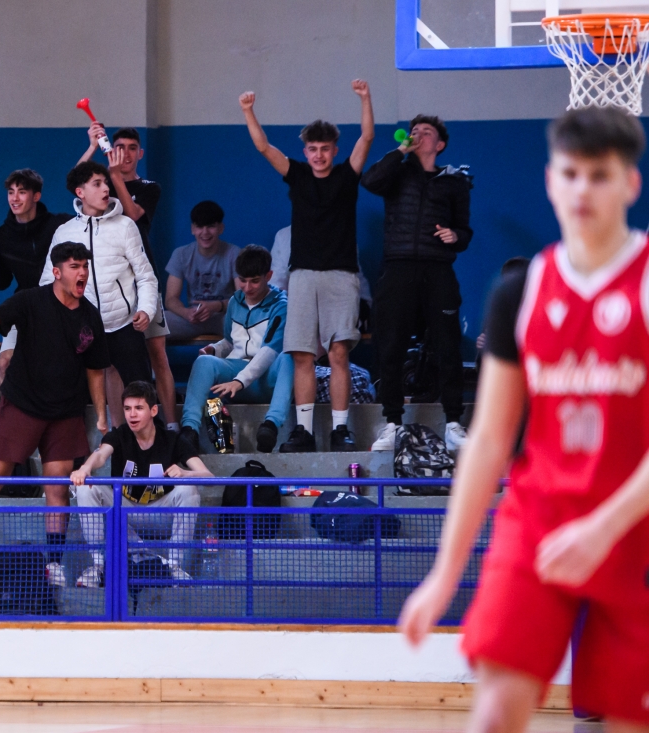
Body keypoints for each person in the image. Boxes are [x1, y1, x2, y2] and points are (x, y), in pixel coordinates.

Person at [399, 107, 649, 730]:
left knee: (627, 719)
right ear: (550, 181)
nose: (583, 189)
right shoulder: (521, 291)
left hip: (633, 525)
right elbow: (488, 440)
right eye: (571, 173)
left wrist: (601, 529)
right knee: (495, 712)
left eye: (600, 175)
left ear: (630, 183)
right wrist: (444, 575)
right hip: (537, 519)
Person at [0, 242, 110, 588]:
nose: (82, 273)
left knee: (57, 487)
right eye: (75, 267)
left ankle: (54, 564)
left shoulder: (90, 316)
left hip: (65, 411)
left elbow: (95, 370)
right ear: (57, 272)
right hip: (23, 404)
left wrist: (102, 415)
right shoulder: (30, 300)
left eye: (85, 267)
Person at [240, 81, 374, 453]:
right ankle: (303, 431)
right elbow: (264, 147)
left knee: (339, 353)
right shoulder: (297, 175)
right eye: (313, 149)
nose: (318, 155)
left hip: (342, 276)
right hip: (301, 276)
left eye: (325, 148)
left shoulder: (347, 175)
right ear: (306, 151)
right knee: (302, 354)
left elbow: (367, 136)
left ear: (334, 150)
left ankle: (341, 430)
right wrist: (248, 111)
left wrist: (365, 99)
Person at [362, 115, 474, 453]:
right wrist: (400, 150)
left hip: (438, 269)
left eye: (427, 132)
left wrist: (456, 236)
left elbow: (465, 231)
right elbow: (370, 180)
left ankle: (453, 422)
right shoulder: (397, 171)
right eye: (415, 131)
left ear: (440, 144)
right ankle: (392, 423)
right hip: (397, 268)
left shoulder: (454, 181)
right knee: (391, 347)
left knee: (448, 346)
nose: (419, 135)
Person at [40, 161, 158, 428]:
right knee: (70, 397)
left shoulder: (126, 226)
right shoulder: (64, 232)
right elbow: (48, 282)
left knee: (141, 395)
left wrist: (146, 310)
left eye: (106, 182)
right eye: (97, 184)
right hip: (81, 329)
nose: (106, 188)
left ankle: (152, 451)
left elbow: (146, 276)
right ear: (80, 192)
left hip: (124, 326)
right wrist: (58, 323)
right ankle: (90, 452)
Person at [80, 126, 178, 428]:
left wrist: (116, 178)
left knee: (157, 353)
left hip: (144, 280)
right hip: (113, 285)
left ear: (140, 153)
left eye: (132, 147)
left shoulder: (149, 187)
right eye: (119, 146)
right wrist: (92, 146)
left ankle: (171, 425)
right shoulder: (101, 186)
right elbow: (76, 182)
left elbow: (133, 215)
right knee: (111, 364)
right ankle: (118, 429)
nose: (125, 153)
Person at [71, 381, 210, 586]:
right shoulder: (119, 435)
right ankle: (98, 566)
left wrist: (185, 473)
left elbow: (208, 476)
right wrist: (85, 468)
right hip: (124, 512)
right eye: (127, 409)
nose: (132, 415)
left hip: (160, 514)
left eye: (138, 408)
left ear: (153, 410)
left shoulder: (172, 439)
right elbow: (100, 455)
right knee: (85, 487)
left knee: (188, 488)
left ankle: (173, 567)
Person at [179, 245, 294, 453]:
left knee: (288, 358)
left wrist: (239, 381)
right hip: (236, 375)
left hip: (265, 379)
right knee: (204, 362)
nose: (247, 288)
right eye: (243, 280)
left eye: (255, 281)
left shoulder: (281, 304)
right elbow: (230, 342)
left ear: (268, 276)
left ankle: (270, 426)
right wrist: (215, 350)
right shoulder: (235, 301)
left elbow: (269, 351)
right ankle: (189, 431)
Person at [0, 168, 71, 383]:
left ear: (36, 196)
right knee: (5, 362)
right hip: (25, 304)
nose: (14, 198)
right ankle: (4, 407)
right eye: (11, 192)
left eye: (21, 192)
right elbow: (3, 276)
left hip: (60, 306)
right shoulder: (2, 236)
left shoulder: (60, 225)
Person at [164, 201, 239, 340]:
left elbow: (243, 297)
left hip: (224, 316)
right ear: (193, 229)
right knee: (154, 324)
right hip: (192, 318)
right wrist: (185, 313)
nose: (205, 232)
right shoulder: (181, 254)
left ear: (220, 228)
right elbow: (170, 299)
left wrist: (216, 306)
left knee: (250, 323)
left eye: (211, 226)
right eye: (199, 227)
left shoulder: (234, 253)